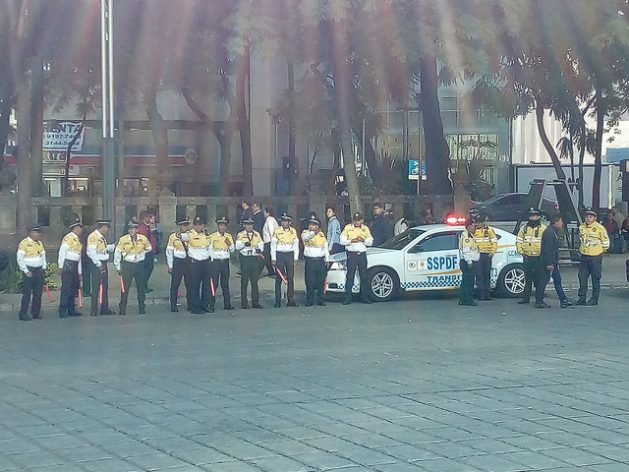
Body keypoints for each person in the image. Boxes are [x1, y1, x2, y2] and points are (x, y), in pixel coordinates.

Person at [114, 218, 152, 316]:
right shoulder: (123, 240)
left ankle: (142, 308)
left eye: (133, 228)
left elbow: (149, 248)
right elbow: (117, 253)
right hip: (127, 266)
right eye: (129, 229)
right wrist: (118, 267)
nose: (131, 230)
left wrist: (141, 254)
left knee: (141, 288)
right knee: (125, 289)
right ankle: (122, 308)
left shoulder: (142, 238)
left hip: (139, 265)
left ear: (137, 229)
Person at [576, 207, 610, 306]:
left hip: (595, 257)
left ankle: (594, 299)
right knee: (582, 277)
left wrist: (600, 251)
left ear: (594, 218)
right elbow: (581, 239)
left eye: (591, 217)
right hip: (584, 256)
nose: (588, 218)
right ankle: (582, 298)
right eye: (587, 216)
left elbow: (606, 242)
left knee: (595, 278)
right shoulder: (581, 227)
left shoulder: (600, 228)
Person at [516, 208, 548, 307]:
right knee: (527, 278)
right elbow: (519, 241)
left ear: (539, 217)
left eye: (534, 216)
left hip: (539, 258)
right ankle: (526, 298)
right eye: (530, 216)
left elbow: (546, 243)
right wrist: (521, 252)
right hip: (527, 257)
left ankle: (539, 300)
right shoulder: (524, 228)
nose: (532, 218)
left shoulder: (544, 228)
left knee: (539, 279)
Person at [340, 212, 374, 305]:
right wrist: (351, 241)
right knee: (350, 276)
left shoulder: (365, 228)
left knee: (364, 276)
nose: (357, 222)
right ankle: (348, 297)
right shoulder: (348, 228)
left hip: (362, 254)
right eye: (355, 220)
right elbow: (341, 241)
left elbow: (370, 242)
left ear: (362, 220)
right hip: (352, 254)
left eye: (358, 220)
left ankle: (364, 296)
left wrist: (363, 240)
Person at [541, 214, 572, 308]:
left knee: (555, 280)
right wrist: (549, 263)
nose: (562, 223)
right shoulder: (550, 233)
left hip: (552, 261)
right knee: (545, 281)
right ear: (556, 222)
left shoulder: (552, 231)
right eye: (560, 221)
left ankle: (563, 299)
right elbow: (548, 249)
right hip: (550, 262)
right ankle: (540, 300)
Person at [16, 225, 46, 321]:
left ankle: (35, 313)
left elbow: (43, 256)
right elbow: (19, 258)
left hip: (38, 270)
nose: (39, 235)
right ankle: (23, 313)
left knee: (38, 293)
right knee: (27, 293)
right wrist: (25, 270)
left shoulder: (39, 243)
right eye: (37, 233)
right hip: (29, 270)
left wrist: (43, 267)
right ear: (32, 233)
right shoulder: (24, 243)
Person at [87, 219, 116, 316]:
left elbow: (102, 249)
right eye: (107, 228)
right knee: (96, 287)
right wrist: (98, 264)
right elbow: (92, 252)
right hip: (97, 265)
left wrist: (112, 246)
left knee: (104, 286)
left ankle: (104, 308)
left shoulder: (101, 237)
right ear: (103, 227)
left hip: (103, 262)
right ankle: (93, 310)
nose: (107, 230)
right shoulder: (93, 237)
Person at [271, 213, 300, 308]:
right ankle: (277, 301)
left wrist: (296, 257)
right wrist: (273, 258)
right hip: (280, 255)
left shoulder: (293, 231)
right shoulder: (277, 231)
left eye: (286, 221)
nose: (284, 223)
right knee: (279, 278)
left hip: (290, 255)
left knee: (290, 278)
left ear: (289, 222)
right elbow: (273, 245)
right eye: (283, 221)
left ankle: (290, 300)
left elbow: (296, 245)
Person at [58, 216, 83, 318]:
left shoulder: (77, 240)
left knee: (73, 289)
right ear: (75, 228)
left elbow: (79, 256)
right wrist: (60, 266)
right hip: (68, 265)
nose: (81, 229)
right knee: (66, 289)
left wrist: (80, 272)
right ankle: (62, 310)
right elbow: (62, 252)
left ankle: (71, 309)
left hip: (75, 265)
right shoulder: (68, 238)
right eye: (79, 227)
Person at [235, 218, 264, 309]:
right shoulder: (241, 234)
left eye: (251, 224)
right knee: (244, 281)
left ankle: (255, 302)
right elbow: (237, 246)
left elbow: (261, 246)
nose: (249, 226)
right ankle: (244, 302)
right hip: (245, 259)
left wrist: (257, 249)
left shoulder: (257, 234)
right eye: (247, 224)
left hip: (254, 258)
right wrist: (244, 244)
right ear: (244, 225)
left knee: (254, 281)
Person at [208, 216, 235, 312]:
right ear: (218, 226)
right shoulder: (212, 236)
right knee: (213, 284)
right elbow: (210, 250)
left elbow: (232, 250)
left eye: (224, 225)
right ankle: (211, 304)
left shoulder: (228, 236)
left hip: (225, 262)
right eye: (221, 225)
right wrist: (211, 261)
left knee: (225, 284)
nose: (222, 227)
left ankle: (227, 304)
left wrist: (229, 244)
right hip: (216, 262)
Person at [302, 217, 329, 307]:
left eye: (314, 225)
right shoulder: (305, 233)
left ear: (318, 226)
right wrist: (313, 233)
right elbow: (305, 238)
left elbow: (325, 248)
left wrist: (327, 259)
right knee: (310, 281)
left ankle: (320, 299)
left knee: (320, 281)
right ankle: (310, 299)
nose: (311, 226)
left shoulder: (321, 235)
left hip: (320, 260)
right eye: (310, 224)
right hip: (310, 260)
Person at [165, 218, 192, 312]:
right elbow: (169, 252)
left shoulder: (190, 235)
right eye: (181, 225)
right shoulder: (173, 236)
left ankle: (190, 304)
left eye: (185, 225)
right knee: (175, 284)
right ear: (179, 226)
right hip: (178, 262)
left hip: (188, 261)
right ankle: (173, 305)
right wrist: (170, 265)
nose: (183, 227)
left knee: (189, 284)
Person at [187, 216, 212, 314]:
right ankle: (195, 307)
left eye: (200, 225)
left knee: (206, 286)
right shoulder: (189, 234)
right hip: (195, 263)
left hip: (205, 262)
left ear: (203, 225)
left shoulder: (206, 235)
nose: (198, 227)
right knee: (195, 286)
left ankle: (205, 305)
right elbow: (180, 236)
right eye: (196, 225)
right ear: (193, 225)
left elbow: (210, 247)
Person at [471, 213, 498, 301]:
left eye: (479, 222)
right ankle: (481, 294)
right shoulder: (473, 231)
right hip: (478, 255)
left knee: (487, 275)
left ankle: (487, 294)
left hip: (487, 255)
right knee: (479, 275)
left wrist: (492, 252)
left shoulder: (489, 230)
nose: (477, 224)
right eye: (476, 222)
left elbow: (494, 242)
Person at [458, 220, 479, 307]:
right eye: (474, 226)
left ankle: (463, 299)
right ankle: (468, 300)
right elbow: (466, 251)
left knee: (465, 281)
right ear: (469, 227)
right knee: (469, 282)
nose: (475, 228)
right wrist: (469, 262)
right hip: (468, 262)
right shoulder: (467, 238)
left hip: (466, 262)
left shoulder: (468, 236)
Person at [137, 210, 158, 292]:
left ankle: (144, 285)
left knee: (148, 268)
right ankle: (142, 286)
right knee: (147, 269)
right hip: (145, 252)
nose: (151, 219)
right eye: (149, 217)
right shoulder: (142, 228)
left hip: (150, 251)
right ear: (144, 218)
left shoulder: (148, 226)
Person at [262, 207, 278, 277]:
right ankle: (271, 271)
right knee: (268, 258)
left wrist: (273, 242)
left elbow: (271, 231)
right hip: (269, 241)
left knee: (268, 258)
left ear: (268, 213)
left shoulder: (269, 220)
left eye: (264, 212)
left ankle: (273, 272)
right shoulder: (272, 219)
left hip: (269, 242)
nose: (264, 214)